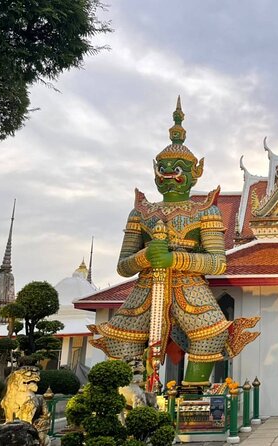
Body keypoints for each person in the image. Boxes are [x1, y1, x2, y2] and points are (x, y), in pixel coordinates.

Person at [88, 98, 259, 385]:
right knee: (119, 342)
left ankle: (192, 399)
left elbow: (217, 263)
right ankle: (133, 400)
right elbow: (123, 266)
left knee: (213, 335)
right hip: (145, 288)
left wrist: (173, 259)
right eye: (163, 168)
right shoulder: (142, 212)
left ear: (196, 172)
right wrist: (145, 257)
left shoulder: (206, 212)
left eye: (178, 168)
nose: (169, 174)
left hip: (189, 289)